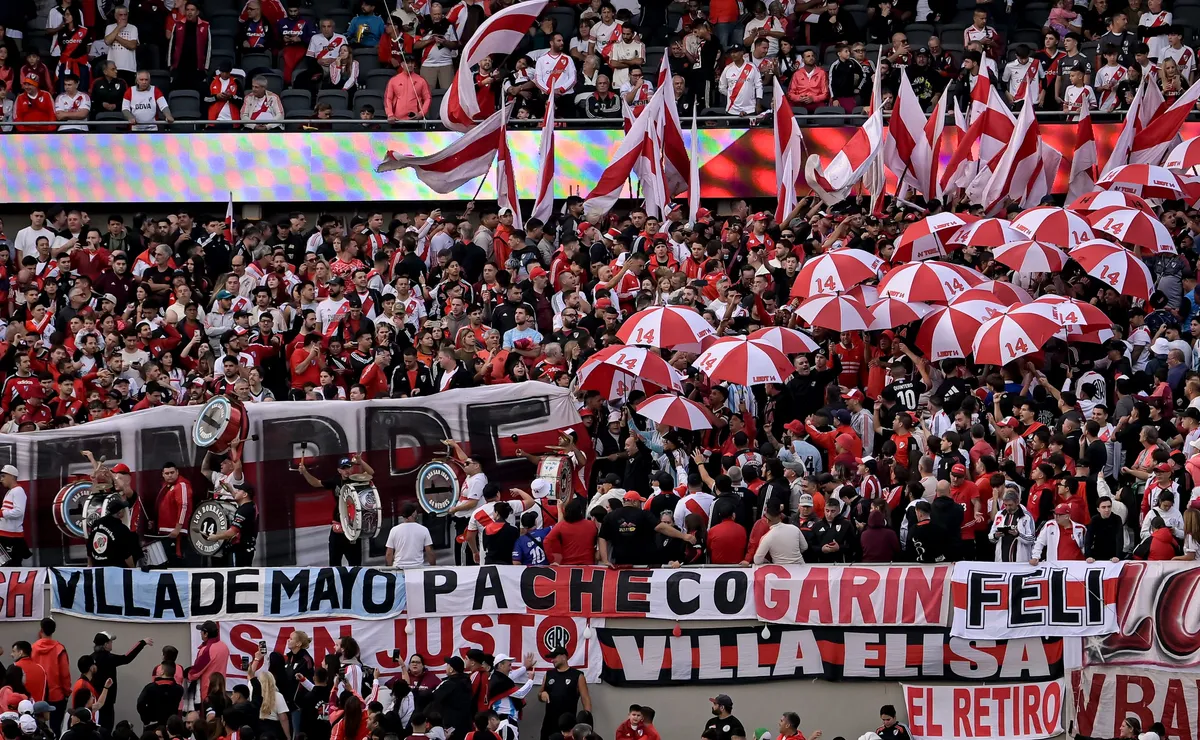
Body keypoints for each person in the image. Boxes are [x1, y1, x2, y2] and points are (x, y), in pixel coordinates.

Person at [298, 453, 375, 566]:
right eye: (344, 468)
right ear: (339, 470)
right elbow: (316, 483)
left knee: (355, 565)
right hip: (338, 526)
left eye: (348, 467)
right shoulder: (335, 480)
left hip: (353, 527)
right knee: (334, 564)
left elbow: (371, 473)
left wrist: (360, 461)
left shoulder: (357, 480)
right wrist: (305, 472)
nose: (347, 471)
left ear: (352, 468)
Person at [90, 632, 150, 730]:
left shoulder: (91, 658)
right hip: (107, 700)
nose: (112, 644)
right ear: (105, 645)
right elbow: (126, 658)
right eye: (110, 642)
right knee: (106, 728)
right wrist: (142, 643)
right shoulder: (109, 658)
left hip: (93, 700)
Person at [198, 483, 258, 566]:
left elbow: (232, 532)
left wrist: (216, 537)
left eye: (239, 490)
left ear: (245, 494)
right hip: (247, 547)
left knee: (240, 572)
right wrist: (230, 490)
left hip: (241, 549)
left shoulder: (244, 510)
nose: (236, 492)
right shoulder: (251, 505)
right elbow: (239, 500)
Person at [538, 647, 589, 740]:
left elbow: (585, 698)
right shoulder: (548, 674)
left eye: (554, 657)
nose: (552, 660)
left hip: (568, 726)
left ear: (563, 657)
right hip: (549, 724)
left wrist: (587, 721)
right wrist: (542, 695)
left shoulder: (577, 675)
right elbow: (540, 694)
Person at [30, 619, 70, 731]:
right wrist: (67, 692)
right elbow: (65, 674)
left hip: (37, 695)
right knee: (55, 728)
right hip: (56, 694)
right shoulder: (59, 649)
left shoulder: (33, 648)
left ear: (41, 630)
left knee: (35, 727)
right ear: (53, 630)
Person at [86, 498, 139, 567]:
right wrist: (133, 569)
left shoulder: (96, 523)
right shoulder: (122, 529)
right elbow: (127, 554)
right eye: (123, 509)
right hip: (115, 568)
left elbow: (89, 546)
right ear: (119, 513)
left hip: (97, 567)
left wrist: (89, 565)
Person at [384, 501, 435, 566]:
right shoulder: (424, 530)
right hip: (418, 568)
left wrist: (389, 569)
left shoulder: (394, 530)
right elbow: (429, 552)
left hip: (399, 568)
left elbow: (389, 554)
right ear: (413, 514)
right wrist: (433, 566)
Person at [0, 465, 29, 565]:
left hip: (12, 538)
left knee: (12, 565)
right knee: (4, 565)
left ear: (12, 476)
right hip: (4, 536)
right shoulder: (10, 492)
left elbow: (19, 512)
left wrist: (2, 513)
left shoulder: (18, 491)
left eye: (3, 476)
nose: (1, 479)